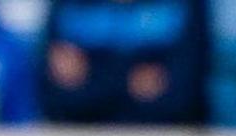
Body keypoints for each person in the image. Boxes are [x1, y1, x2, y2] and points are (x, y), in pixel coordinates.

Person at [36, 0, 207, 126]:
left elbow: (179, 100)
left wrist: (91, 79)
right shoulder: (68, 5)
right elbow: (57, 101)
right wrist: (131, 82)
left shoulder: (186, 5)